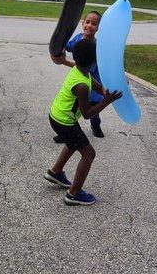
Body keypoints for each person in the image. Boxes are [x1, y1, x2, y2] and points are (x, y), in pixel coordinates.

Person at [45, 39, 122, 206]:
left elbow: (95, 85)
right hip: (64, 121)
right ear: (94, 61)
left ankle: (55, 172)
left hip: (58, 116)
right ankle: (74, 194)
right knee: (89, 154)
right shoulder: (81, 86)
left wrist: (105, 91)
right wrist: (106, 101)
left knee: (73, 143)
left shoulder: (80, 70)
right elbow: (87, 114)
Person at [60, 11, 105, 137]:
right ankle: (65, 131)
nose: (89, 26)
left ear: (98, 27)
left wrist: (65, 62)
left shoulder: (96, 47)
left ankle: (95, 126)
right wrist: (60, 48)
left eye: (94, 24)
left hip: (92, 83)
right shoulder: (78, 38)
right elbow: (67, 46)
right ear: (82, 23)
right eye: (87, 22)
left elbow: (86, 69)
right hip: (79, 82)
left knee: (92, 108)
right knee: (73, 107)